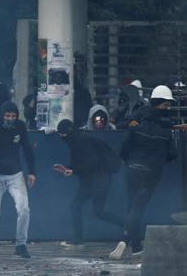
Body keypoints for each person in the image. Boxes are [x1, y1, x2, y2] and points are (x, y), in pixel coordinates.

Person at [109, 85, 178, 259]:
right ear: (161, 103)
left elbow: (125, 142)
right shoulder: (165, 126)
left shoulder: (137, 121)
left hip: (133, 168)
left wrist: (126, 160)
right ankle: (125, 239)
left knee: (132, 206)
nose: (168, 107)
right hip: (151, 172)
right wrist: (160, 162)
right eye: (166, 104)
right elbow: (173, 153)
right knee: (137, 209)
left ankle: (137, 246)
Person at [0, 101, 36, 262]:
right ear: (2, 115)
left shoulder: (20, 127)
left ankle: (21, 245)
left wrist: (32, 172)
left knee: (24, 208)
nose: (10, 119)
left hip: (15, 175)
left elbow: (27, 149)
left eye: (13, 116)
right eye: (7, 116)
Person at [55, 119, 124, 247]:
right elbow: (83, 163)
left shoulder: (81, 141)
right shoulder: (79, 139)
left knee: (88, 208)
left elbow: (90, 163)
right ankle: (128, 227)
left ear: (68, 133)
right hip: (96, 180)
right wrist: (67, 168)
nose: (62, 137)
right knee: (94, 210)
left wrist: (73, 170)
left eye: (62, 134)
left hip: (99, 181)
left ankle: (128, 226)